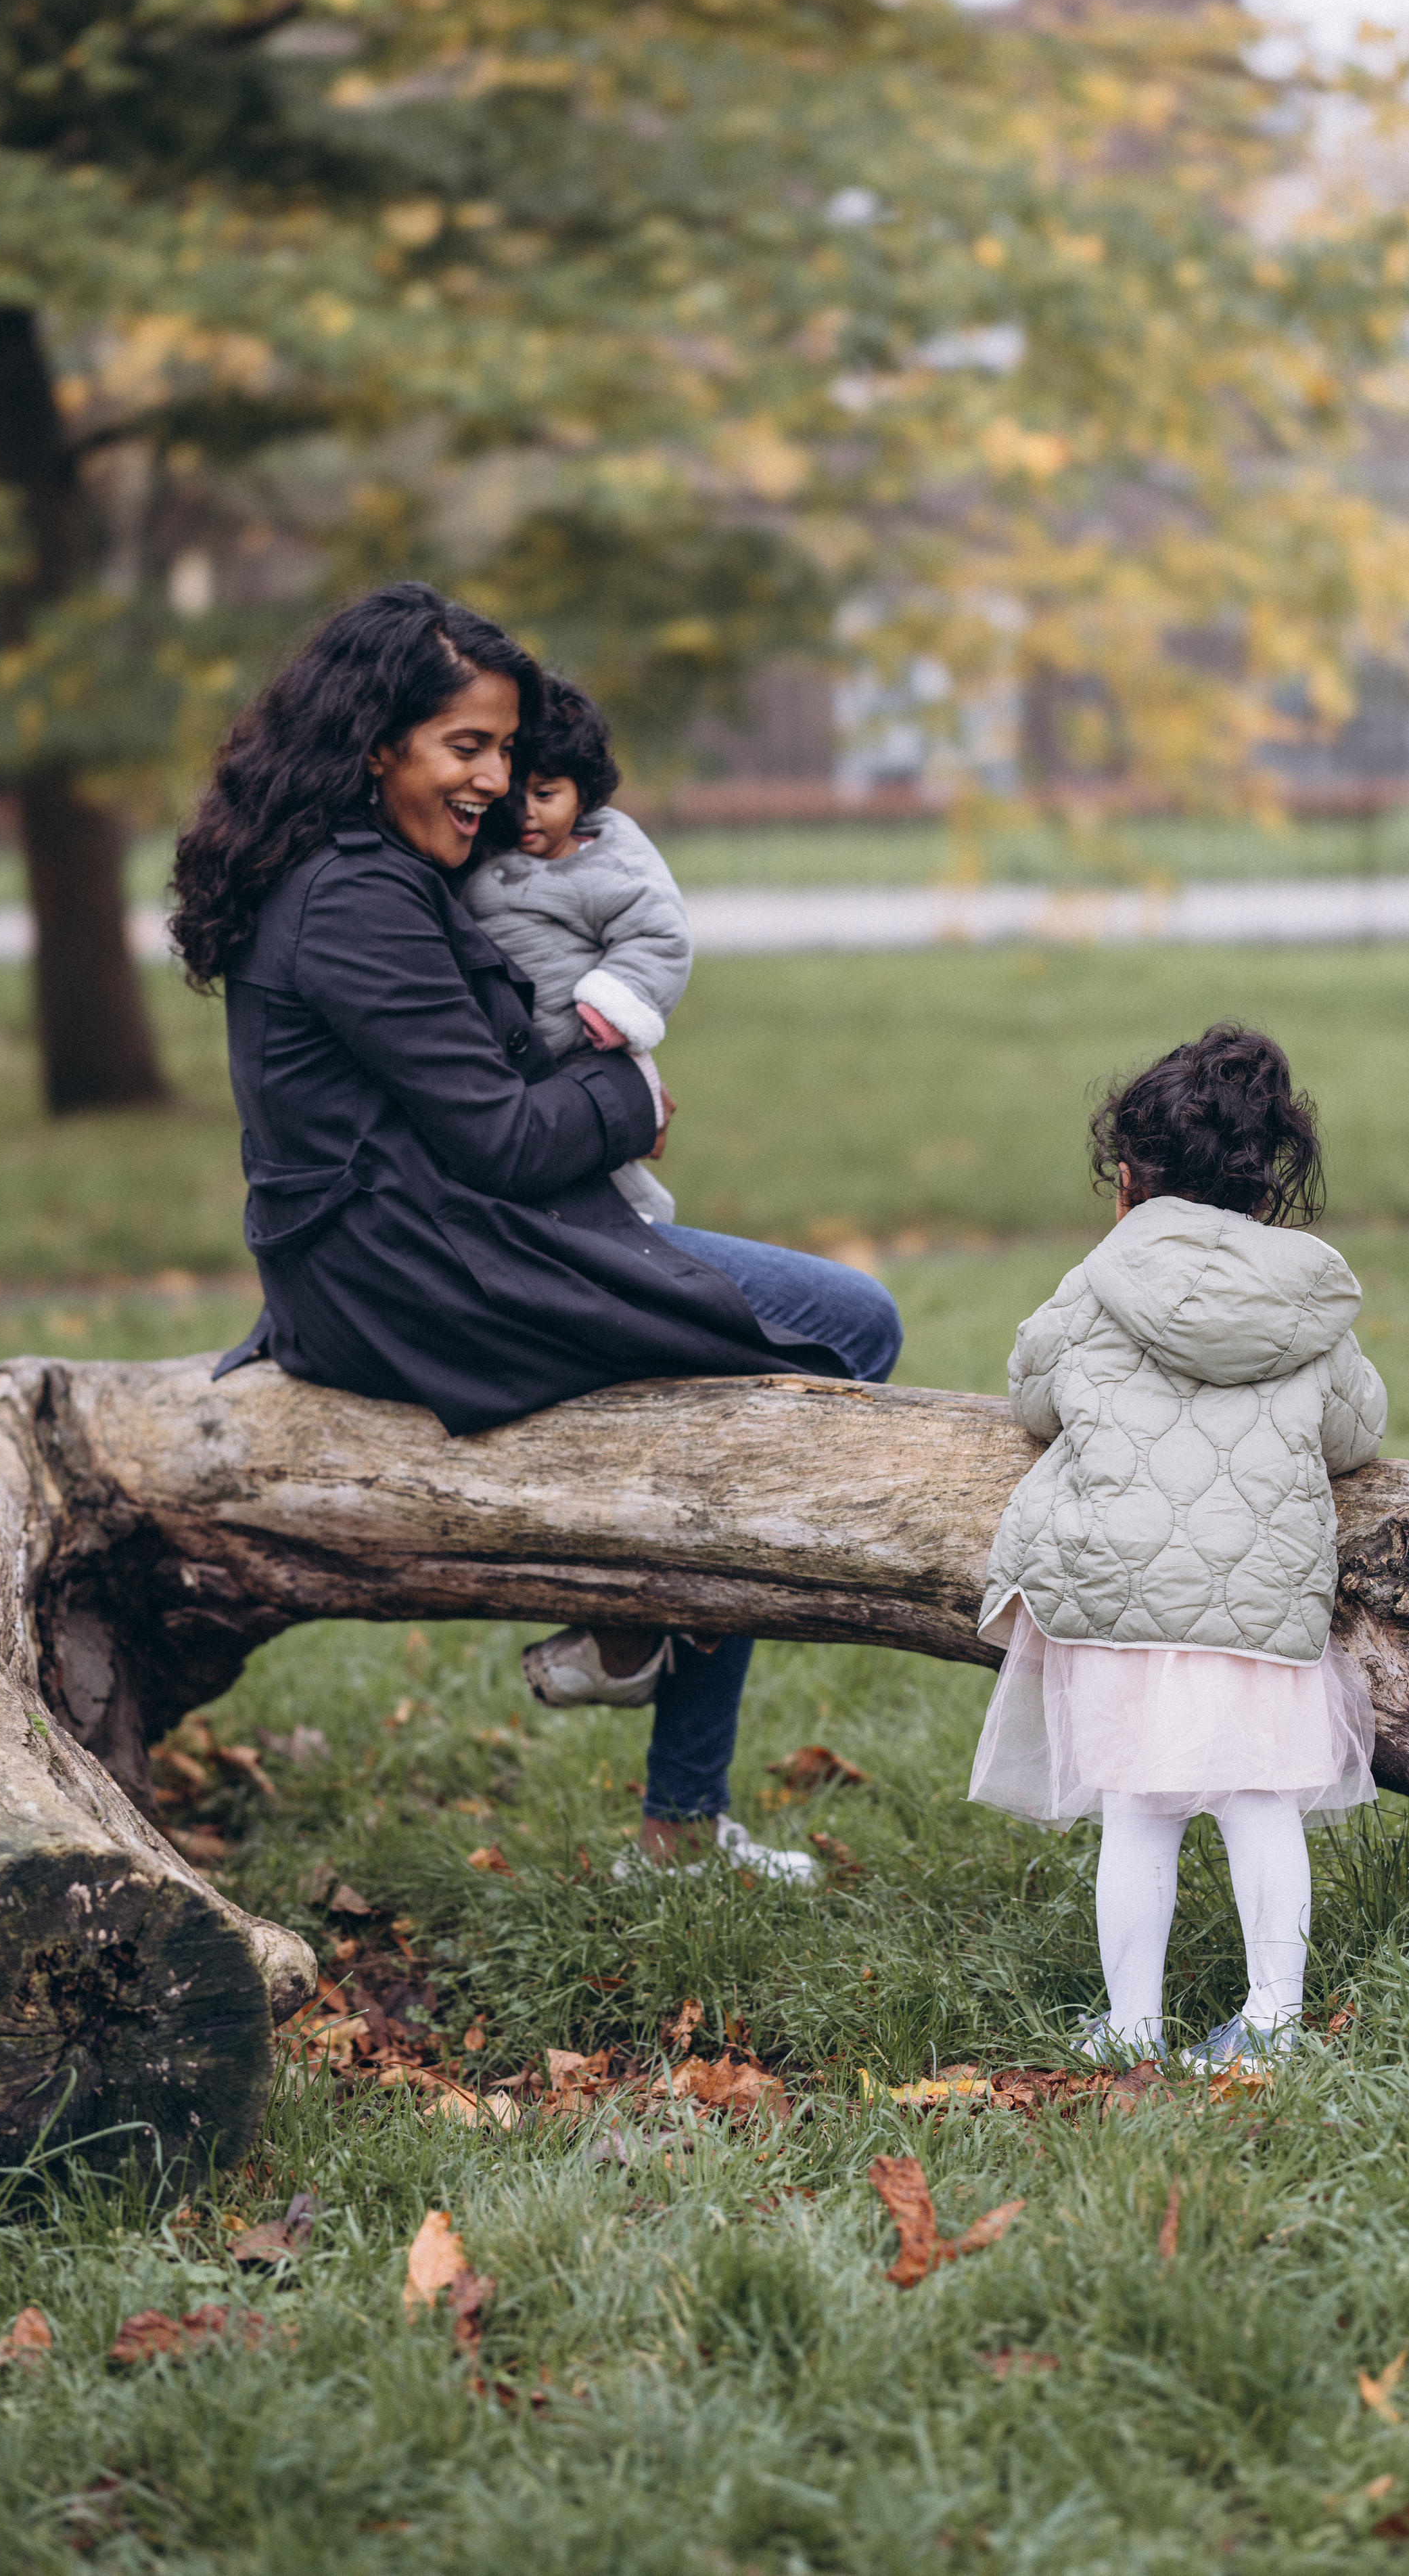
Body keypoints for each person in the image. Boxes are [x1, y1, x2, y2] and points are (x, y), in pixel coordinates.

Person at [170, 581, 901, 1882]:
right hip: (422, 1278)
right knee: (851, 1323)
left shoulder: (367, 869)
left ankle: (660, 1728)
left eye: (507, 749)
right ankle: (659, 1709)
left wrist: (590, 1098)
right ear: (374, 740)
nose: (499, 780)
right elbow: (501, 1137)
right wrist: (626, 1095)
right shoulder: (357, 899)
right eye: (468, 746)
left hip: (403, 1254)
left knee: (786, 1348)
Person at [967, 1022, 1386, 2067]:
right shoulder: (1306, 1298)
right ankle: (1277, 2018)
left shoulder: (1095, 1284)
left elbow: (1030, 1395)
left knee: (1137, 1815)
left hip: (1117, 1598)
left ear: (1126, 1180)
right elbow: (1356, 1429)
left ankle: (1132, 2023)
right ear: (1265, 1187)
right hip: (1259, 1604)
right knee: (1260, 1806)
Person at [461, 670, 686, 1230]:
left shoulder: (603, 863)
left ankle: (647, 1230)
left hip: (585, 1044)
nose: (528, 813)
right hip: (517, 1059)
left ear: (582, 792)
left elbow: (660, 934)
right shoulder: (477, 849)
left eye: (546, 795)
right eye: (516, 795)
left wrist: (616, 1007)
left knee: (616, 1174)